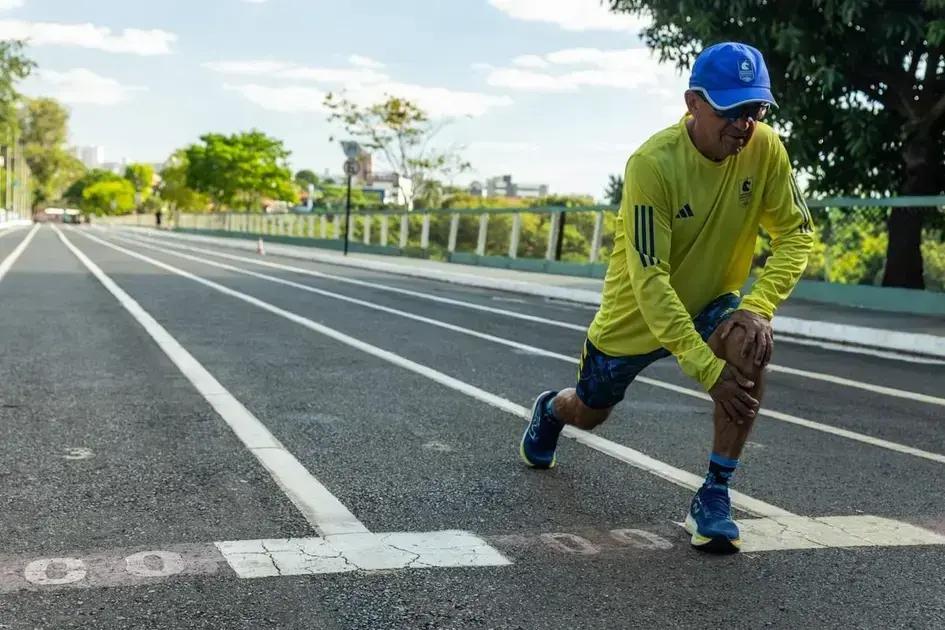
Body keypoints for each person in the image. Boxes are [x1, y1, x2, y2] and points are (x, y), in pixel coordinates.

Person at [520, 42, 814, 553]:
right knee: (589, 411)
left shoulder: (767, 150)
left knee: (751, 343)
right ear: (693, 103)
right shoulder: (651, 165)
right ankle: (550, 410)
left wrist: (756, 306)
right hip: (634, 319)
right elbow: (651, 281)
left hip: (711, 304)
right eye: (730, 110)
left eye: (754, 109)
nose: (744, 125)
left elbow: (796, 234)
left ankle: (715, 493)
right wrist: (706, 370)